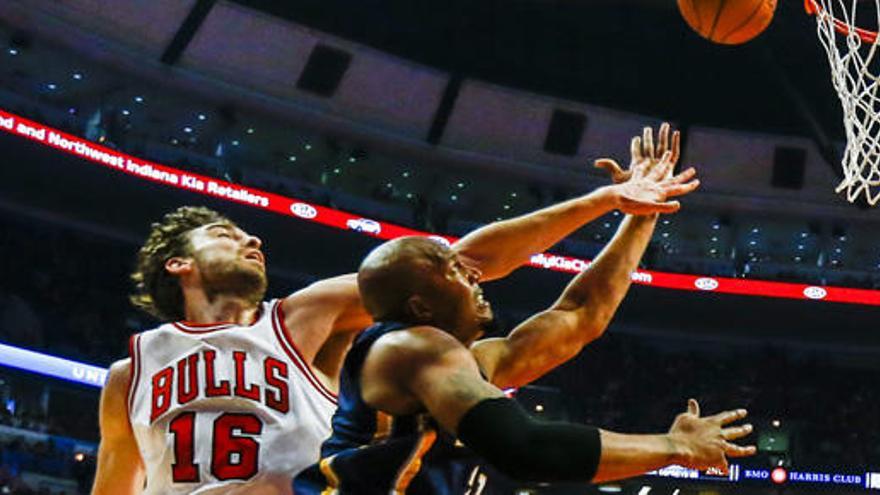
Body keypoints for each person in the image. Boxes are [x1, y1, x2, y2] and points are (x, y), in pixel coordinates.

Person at [92, 123, 699, 494]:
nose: (251, 239)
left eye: (249, 235)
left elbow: (454, 264)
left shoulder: (304, 317)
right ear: (180, 264)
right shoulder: (131, 374)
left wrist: (606, 202)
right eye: (225, 235)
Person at [293, 126, 753, 494]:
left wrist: (641, 214)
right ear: (420, 305)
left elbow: (579, 315)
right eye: (456, 271)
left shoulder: (455, 365)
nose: (474, 275)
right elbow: (525, 449)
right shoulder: (413, 347)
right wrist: (673, 446)